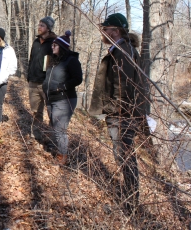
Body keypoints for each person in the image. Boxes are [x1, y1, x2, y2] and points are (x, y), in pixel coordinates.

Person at [89, 13, 143, 212]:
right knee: (123, 156)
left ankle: (130, 205)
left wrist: (114, 111)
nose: (103, 32)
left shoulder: (123, 51)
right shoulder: (119, 49)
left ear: (116, 31)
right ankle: (129, 200)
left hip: (123, 115)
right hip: (121, 113)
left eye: (106, 29)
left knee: (125, 157)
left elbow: (124, 87)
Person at [42, 31, 82, 165]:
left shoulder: (71, 60)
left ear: (62, 47)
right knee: (54, 126)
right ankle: (56, 148)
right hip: (50, 98)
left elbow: (78, 79)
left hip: (64, 99)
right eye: (52, 45)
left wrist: (62, 86)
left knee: (60, 129)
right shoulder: (53, 60)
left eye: (55, 45)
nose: (52, 47)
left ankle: (62, 157)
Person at [27, 16, 57, 128]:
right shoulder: (36, 41)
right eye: (39, 24)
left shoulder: (54, 42)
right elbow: (31, 59)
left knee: (52, 112)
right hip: (33, 81)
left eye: (42, 25)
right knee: (36, 111)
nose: (39, 27)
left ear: (48, 28)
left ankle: (52, 138)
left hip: (47, 83)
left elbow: (57, 62)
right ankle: (36, 134)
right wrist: (29, 76)